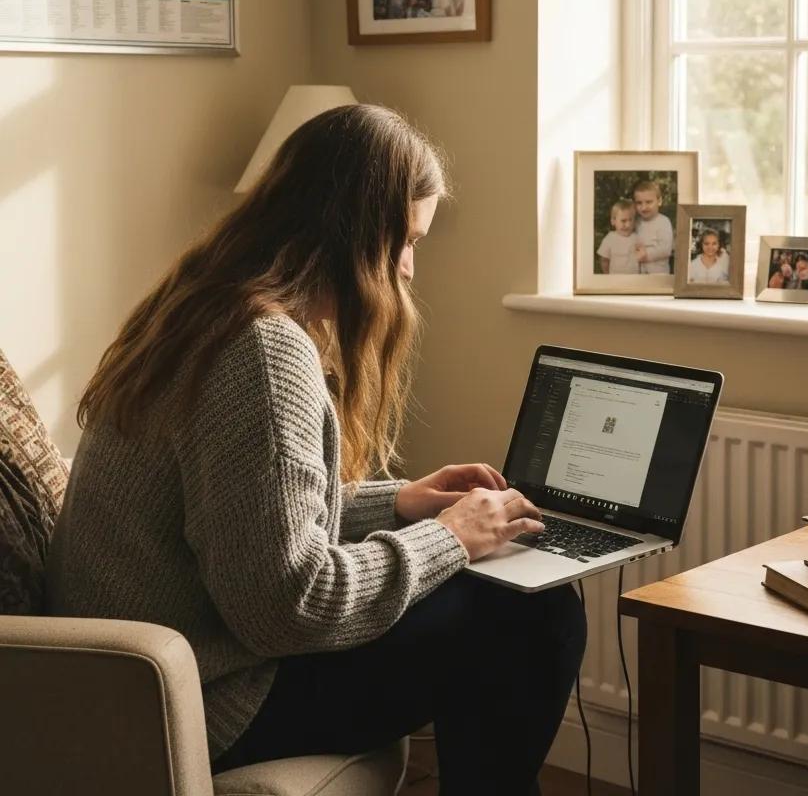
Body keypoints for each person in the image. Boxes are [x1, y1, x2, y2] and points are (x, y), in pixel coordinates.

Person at [45, 105, 586, 796]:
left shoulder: (200, 306)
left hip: (144, 680)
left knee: (500, 596)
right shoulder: (263, 352)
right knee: (534, 613)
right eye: (405, 241)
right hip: (207, 702)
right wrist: (448, 538)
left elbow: (241, 514)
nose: (411, 269)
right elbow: (288, 605)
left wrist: (402, 502)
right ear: (353, 233)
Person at [632, 179, 674, 274]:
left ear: (659, 201)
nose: (644, 207)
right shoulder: (637, 222)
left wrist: (645, 254)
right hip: (638, 274)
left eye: (648, 202)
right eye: (639, 203)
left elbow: (665, 249)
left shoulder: (663, 221)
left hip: (658, 274)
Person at [596, 199, 640, 274]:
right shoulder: (610, 238)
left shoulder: (636, 237)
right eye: (623, 221)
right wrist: (607, 275)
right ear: (613, 221)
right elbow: (604, 260)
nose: (628, 225)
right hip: (616, 279)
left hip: (634, 280)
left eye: (631, 220)